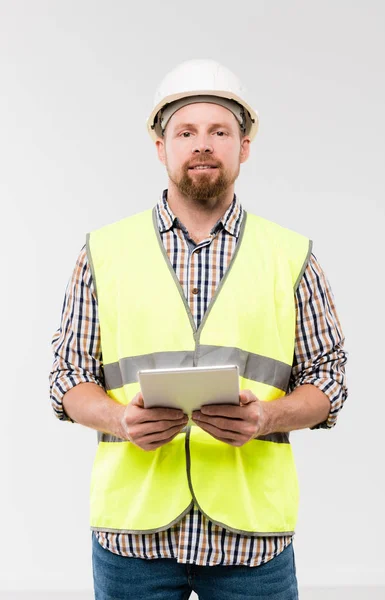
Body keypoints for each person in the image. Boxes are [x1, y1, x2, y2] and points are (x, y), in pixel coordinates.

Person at [49, 59, 348, 600]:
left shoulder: (291, 256)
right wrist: (119, 418)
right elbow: (67, 376)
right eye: (186, 132)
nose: (202, 144)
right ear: (161, 147)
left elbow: (330, 380)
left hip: (251, 541)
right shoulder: (103, 252)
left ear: (244, 147)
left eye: (220, 132)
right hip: (132, 537)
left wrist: (267, 417)